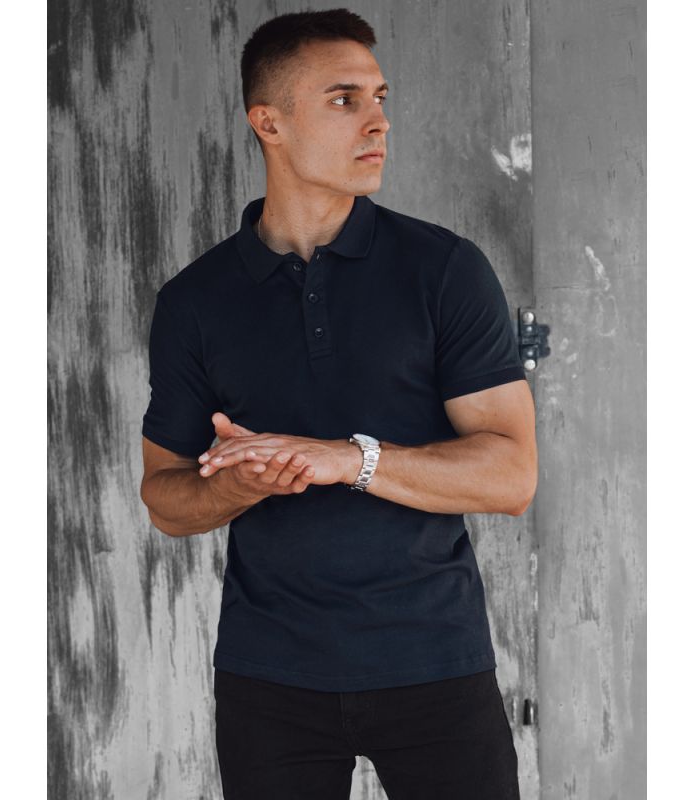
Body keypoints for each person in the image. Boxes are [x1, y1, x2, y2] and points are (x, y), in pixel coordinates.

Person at [140, 8, 537, 799]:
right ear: (270, 123)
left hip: (434, 664)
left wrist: (349, 460)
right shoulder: (196, 301)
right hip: (269, 680)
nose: (378, 122)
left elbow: (511, 476)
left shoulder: (445, 270)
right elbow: (166, 500)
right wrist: (239, 483)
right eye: (344, 100)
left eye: (380, 98)